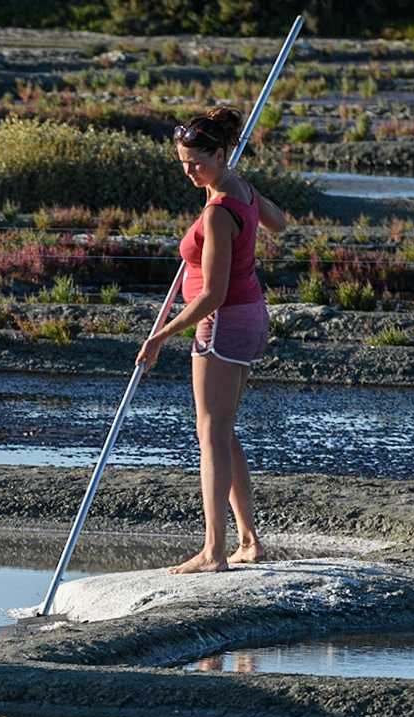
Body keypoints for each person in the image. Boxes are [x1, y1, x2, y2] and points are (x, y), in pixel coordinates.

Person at [135, 106, 288, 574]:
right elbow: (278, 222)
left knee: (210, 434)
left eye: (196, 164)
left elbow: (213, 295)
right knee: (221, 430)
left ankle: (213, 552)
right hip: (249, 317)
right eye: (183, 164)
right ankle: (248, 541)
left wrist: (160, 335)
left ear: (220, 155)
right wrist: (228, 187)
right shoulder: (241, 189)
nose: (189, 172)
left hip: (223, 323)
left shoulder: (219, 211)